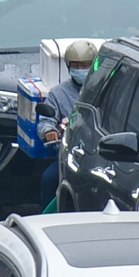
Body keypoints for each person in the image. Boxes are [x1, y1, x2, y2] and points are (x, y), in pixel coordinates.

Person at [36, 41, 96, 207]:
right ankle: (47, 221)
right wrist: (49, 131)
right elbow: (46, 121)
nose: (81, 69)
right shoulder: (58, 93)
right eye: (76, 65)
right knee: (49, 179)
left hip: (99, 155)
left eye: (85, 65)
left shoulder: (104, 91)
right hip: (70, 156)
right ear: (68, 66)